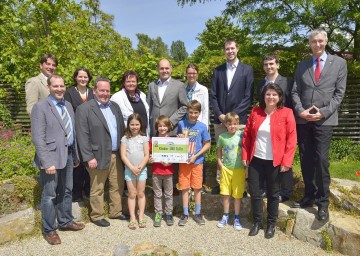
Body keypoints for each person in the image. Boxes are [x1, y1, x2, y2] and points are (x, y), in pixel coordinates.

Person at [291, 29, 347, 222]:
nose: (317, 44)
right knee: (306, 159)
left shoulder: (339, 63)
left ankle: (323, 203)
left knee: (321, 159)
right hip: (304, 119)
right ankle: (309, 195)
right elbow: (295, 91)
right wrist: (300, 111)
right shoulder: (302, 65)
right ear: (310, 43)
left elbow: (339, 94)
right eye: (314, 41)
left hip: (325, 119)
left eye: (320, 41)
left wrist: (324, 111)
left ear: (326, 41)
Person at [31, 74, 85, 245]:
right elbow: (38, 138)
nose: (60, 89)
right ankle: (49, 229)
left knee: (67, 190)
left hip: (68, 155)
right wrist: (47, 162)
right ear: (49, 87)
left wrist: (75, 155)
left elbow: (72, 133)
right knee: (49, 195)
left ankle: (65, 221)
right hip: (51, 158)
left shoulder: (68, 105)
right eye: (56, 86)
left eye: (62, 86)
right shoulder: (40, 107)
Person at [242, 83, 296, 239]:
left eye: (274, 94)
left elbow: (292, 139)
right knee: (255, 192)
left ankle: (271, 224)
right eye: (268, 94)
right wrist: (245, 155)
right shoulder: (255, 112)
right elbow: (247, 136)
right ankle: (257, 222)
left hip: (275, 162)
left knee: (273, 194)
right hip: (256, 160)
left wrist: (287, 161)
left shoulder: (287, 113)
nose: (271, 97)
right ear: (263, 96)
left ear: (279, 97)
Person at [75, 77, 129, 227]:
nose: (105, 93)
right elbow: (82, 135)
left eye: (107, 90)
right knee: (97, 187)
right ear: (94, 91)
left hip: (116, 154)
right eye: (102, 90)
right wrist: (88, 157)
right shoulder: (84, 109)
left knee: (117, 184)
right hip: (97, 156)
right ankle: (97, 215)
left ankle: (115, 212)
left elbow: (120, 129)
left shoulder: (114, 107)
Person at [210, 38, 254, 194]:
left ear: (237, 49)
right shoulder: (218, 71)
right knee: (222, 151)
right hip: (220, 119)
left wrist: (234, 116)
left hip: (239, 120)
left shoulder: (247, 70)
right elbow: (213, 96)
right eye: (227, 49)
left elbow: (248, 96)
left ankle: (241, 184)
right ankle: (221, 182)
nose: (229, 51)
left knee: (240, 152)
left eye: (232, 48)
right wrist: (221, 115)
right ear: (224, 51)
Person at [257, 53, 294, 202]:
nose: (269, 66)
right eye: (266, 64)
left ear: (278, 64)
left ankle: (285, 192)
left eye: (272, 63)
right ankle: (268, 188)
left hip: (283, 122)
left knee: (285, 154)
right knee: (267, 155)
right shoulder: (260, 84)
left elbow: (291, 102)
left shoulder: (288, 82)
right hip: (266, 122)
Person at [177, 100, 211, 226]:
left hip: (197, 162)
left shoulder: (202, 126)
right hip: (184, 162)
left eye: (195, 112)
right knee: (184, 188)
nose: (193, 115)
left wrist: (196, 156)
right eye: (190, 112)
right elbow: (178, 142)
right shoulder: (181, 124)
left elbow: (207, 144)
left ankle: (197, 213)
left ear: (199, 113)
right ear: (187, 112)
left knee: (197, 188)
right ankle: (185, 213)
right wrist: (179, 138)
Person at [64, 67, 94, 202]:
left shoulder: (93, 92)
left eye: (85, 77)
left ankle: (88, 190)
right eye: (80, 76)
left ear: (89, 78)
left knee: (90, 162)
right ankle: (76, 193)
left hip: (92, 133)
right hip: (76, 132)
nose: (83, 79)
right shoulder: (69, 93)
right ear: (75, 77)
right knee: (78, 164)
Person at [216, 112, 246, 231]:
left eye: (235, 124)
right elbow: (218, 149)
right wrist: (219, 161)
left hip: (239, 169)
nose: (232, 126)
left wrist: (246, 166)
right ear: (226, 125)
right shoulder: (222, 137)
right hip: (226, 169)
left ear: (238, 124)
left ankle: (237, 218)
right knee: (226, 194)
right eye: (230, 124)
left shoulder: (241, 135)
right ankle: (225, 215)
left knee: (237, 195)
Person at [120, 113, 149, 229]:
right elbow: (123, 155)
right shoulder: (125, 139)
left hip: (141, 170)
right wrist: (131, 167)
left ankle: (141, 216)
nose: (135, 127)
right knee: (132, 194)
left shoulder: (144, 138)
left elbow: (147, 155)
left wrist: (139, 167)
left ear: (140, 125)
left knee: (141, 193)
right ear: (128, 125)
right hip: (129, 170)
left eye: (137, 124)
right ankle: (132, 217)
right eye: (132, 124)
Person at [147, 59, 188, 136]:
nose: (164, 70)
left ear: (171, 68)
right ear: (157, 69)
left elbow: (184, 106)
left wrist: (171, 121)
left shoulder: (179, 85)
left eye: (167, 68)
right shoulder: (151, 85)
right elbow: (148, 107)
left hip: (171, 130)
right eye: (161, 68)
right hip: (155, 130)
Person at [149, 115, 175, 227]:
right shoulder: (153, 141)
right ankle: (158, 213)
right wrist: (150, 159)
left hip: (168, 171)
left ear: (168, 127)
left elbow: (176, 156)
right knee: (157, 194)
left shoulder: (172, 141)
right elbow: (149, 155)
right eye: (160, 126)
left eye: (164, 126)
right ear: (156, 127)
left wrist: (170, 162)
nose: (162, 128)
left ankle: (169, 213)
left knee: (169, 194)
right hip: (156, 171)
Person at [111, 70, 150, 136]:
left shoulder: (142, 95)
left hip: (144, 135)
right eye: (128, 81)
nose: (131, 83)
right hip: (128, 136)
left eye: (133, 81)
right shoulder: (116, 97)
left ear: (137, 83)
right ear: (124, 83)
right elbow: (113, 120)